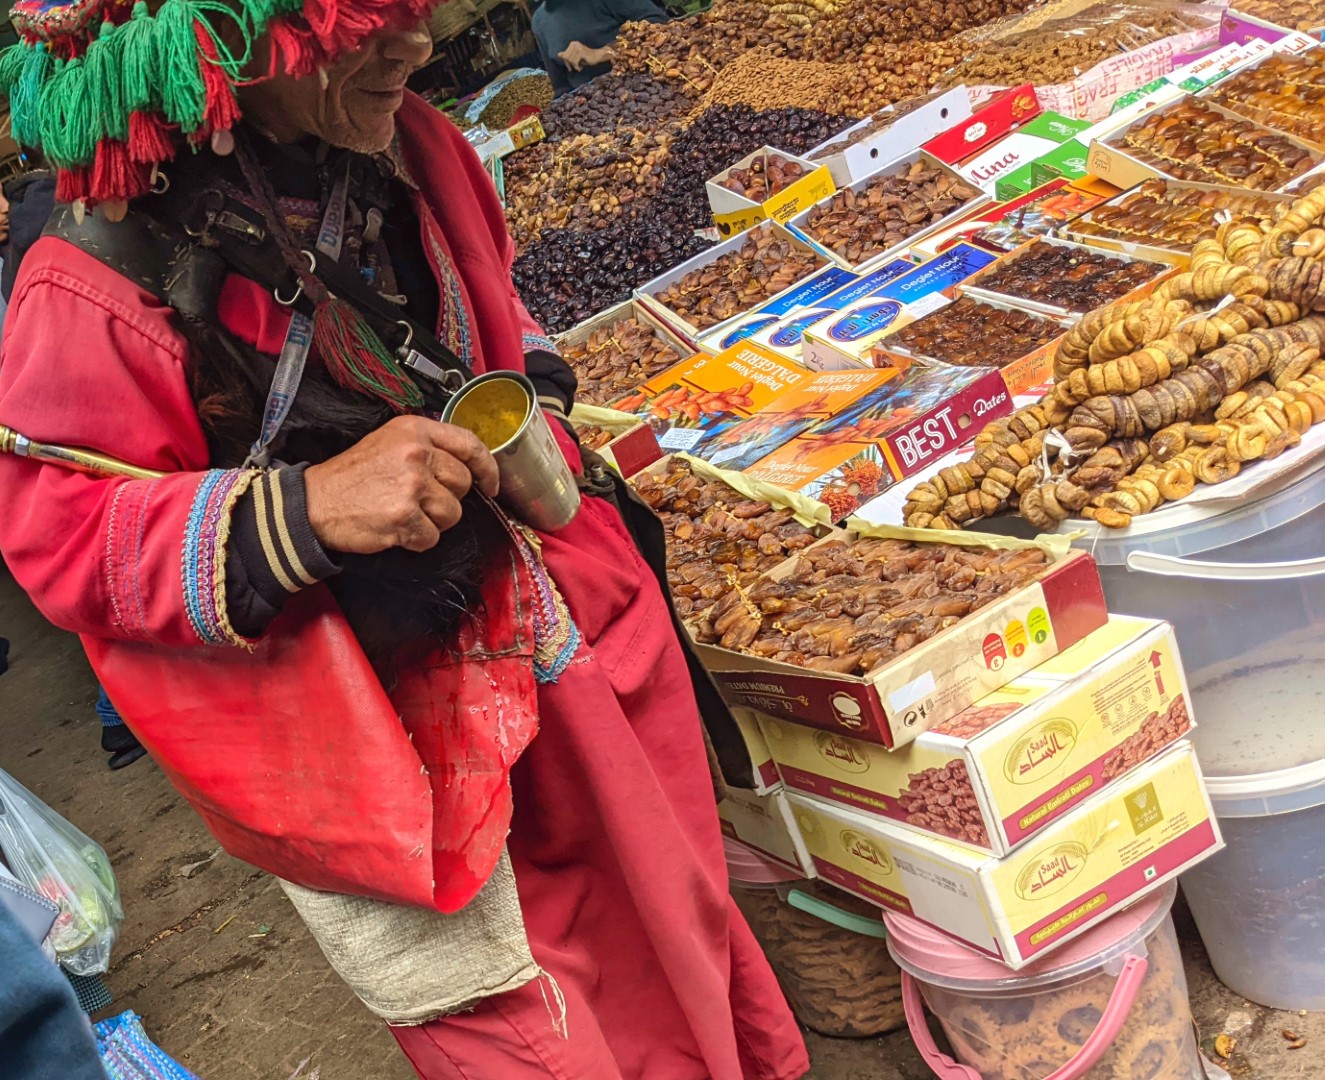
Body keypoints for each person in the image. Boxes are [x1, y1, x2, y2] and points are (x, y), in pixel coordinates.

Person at [0, 2, 809, 1078]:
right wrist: (310, 507)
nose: (416, 46)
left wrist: (534, 409)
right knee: (531, 1028)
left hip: (563, 659)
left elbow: (497, 305)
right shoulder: (101, 262)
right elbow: (58, 536)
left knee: (668, 930)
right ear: (239, 42)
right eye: (362, 24)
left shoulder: (409, 143)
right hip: (395, 747)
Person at [532, 0, 666, 95]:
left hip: (644, 88)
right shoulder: (539, 21)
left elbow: (661, 22)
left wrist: (604, 52)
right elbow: (561, 87)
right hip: (595, 110)